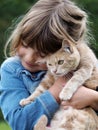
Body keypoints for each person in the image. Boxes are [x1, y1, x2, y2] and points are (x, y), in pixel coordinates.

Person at [0, 0, 98, 130]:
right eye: (25, 44)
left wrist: (93, 99)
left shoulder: (89, 67)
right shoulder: (12, 69)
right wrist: (57, 89)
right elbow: (20, 123)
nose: (30, 57)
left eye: (43, 53)